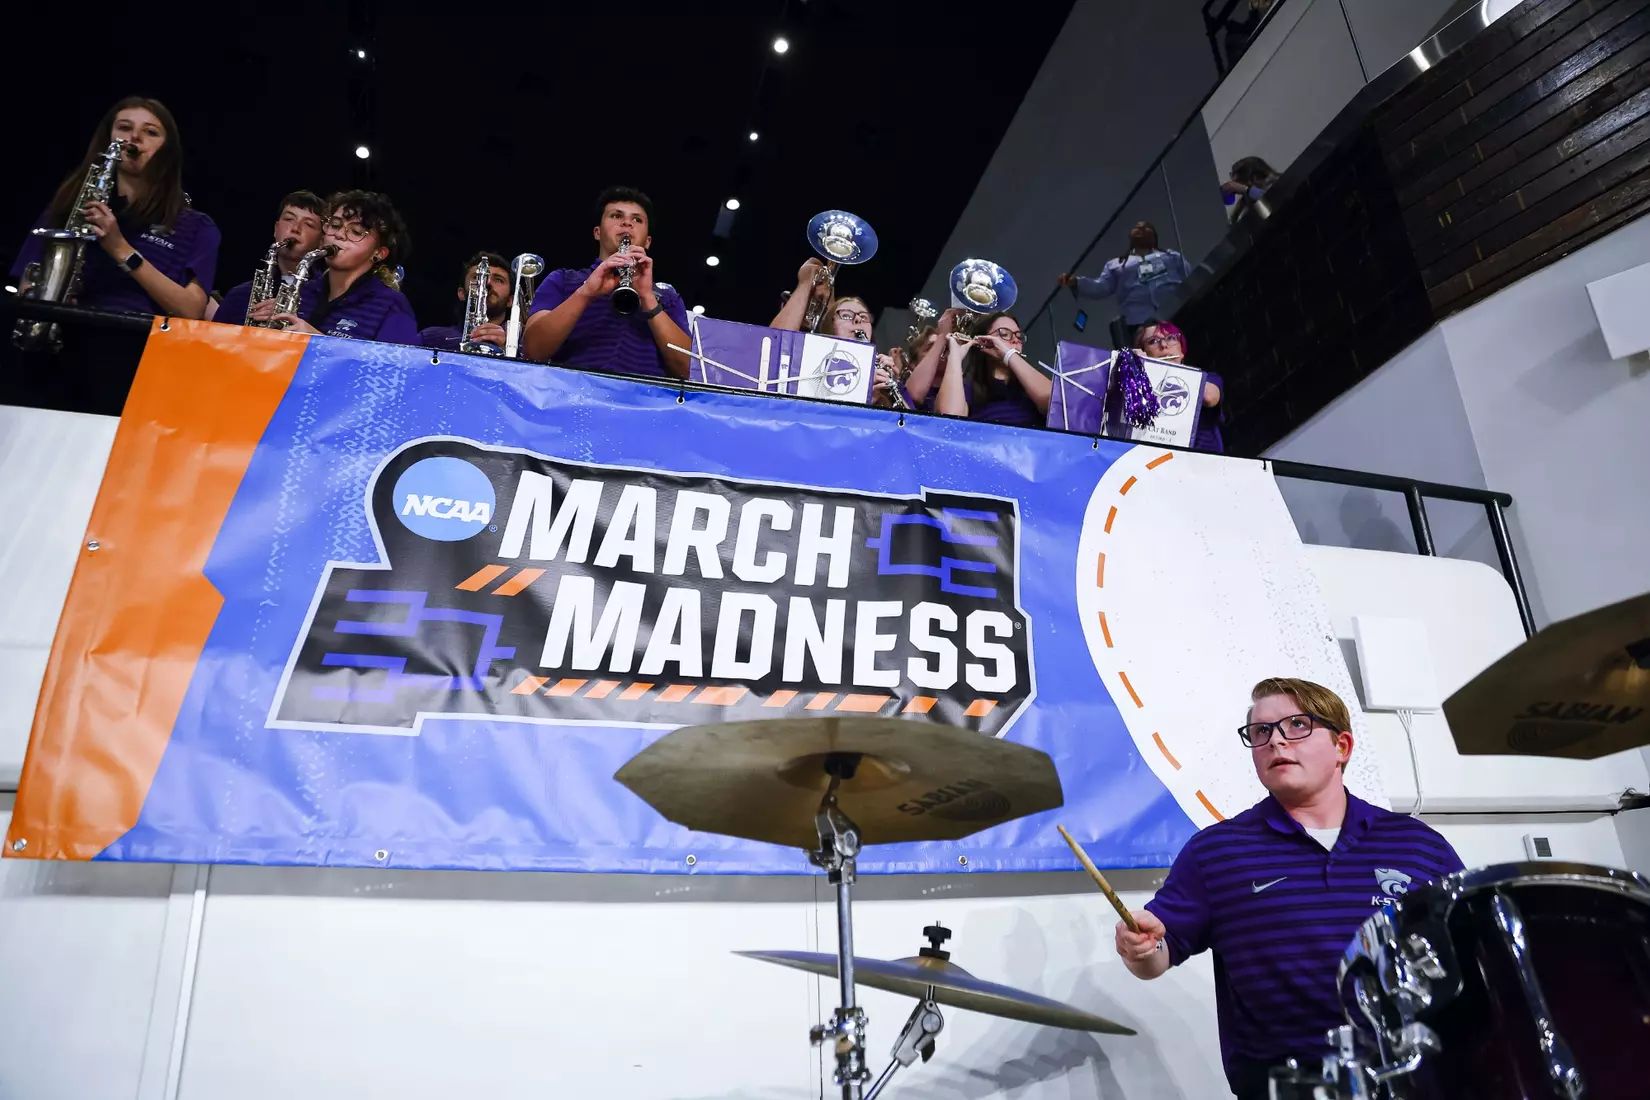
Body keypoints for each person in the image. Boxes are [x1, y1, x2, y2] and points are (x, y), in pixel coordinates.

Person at [1113, 677, 1465, 1100]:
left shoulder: (1418, 845)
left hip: (1414, 1080)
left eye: (1296, 725)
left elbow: (1464, 953)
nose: (1275, 742)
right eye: (1261, 732)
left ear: (1342, 747)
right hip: (1286, 1086)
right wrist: (1142, 946)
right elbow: (1158, 954)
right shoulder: (1217, 851)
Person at [11, 96, 219, 320]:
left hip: (135, 343)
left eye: (150, 132)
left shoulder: (197, 226)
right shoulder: (69, 205)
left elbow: (191, 310)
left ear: (167, 150)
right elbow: (28, 280)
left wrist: (119, 248)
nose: (134, 137)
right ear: (108, 138)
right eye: (124, 127)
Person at [522, 186, 690, 378]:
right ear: (597, 232)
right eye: (616, 216)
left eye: (637, 219)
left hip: (645, 403)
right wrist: (586, 293)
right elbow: (533, 351)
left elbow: (689, 371)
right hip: (573, 398)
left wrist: (647, 298)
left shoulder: (668, 297)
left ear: (647, 242)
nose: (627, 223)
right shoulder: (563, 279)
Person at [258, 190, 418, 345]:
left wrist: (319, 342)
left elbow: (394, 370)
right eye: (335, 225)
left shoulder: (391, 305)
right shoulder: (301, 293)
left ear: (378, 253)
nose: (339, 235)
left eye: (356, 231)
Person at [213, 191, 328, 326]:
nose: (295, 228)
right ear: (275, 229)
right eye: (289, 219)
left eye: (308, 224)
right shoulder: (239, 296)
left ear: (321, 241)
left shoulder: (326, 299)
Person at [1057, 221, 1190, 329]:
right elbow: (1101, 288)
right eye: (1137, 227)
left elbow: (1188, 276)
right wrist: (1077, 282)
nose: (1141, 228)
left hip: (1175, 311)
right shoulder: (1116, 265)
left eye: (1145, 227)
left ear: (1154, 237)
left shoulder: (1171, 256)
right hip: (1138, 323)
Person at [934, 313, 1050, 426]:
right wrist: (955, 356)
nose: (1015, 340)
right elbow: (949, 419)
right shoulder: (970, 386)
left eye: (1019, 336)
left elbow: (1053, 403)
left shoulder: (1032, 383)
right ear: (984, 341)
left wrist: (1009, 354)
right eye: (1004, 334)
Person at [1134, 320, 1224, 453]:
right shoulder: (1140, 390)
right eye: (1153, 341)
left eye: (1171, 338)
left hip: (1207, 463)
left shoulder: (1208, 378)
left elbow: (1209, 397)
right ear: (1144, 352)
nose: (1164, 345)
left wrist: (1168, 368)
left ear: (1182, 350)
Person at [419, 250, 510, 352]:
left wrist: (508, 352)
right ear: (461, 293)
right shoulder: (429, 338)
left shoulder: (523, 348)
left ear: (511, 300)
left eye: (498, 280)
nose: (486, 283)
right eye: (477, 277)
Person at [1223, 156, 1280, 221]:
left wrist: (1246, 190)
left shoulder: (1282, 182)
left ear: (1255, 178)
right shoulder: (1245, 201)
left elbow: (1271, 200)